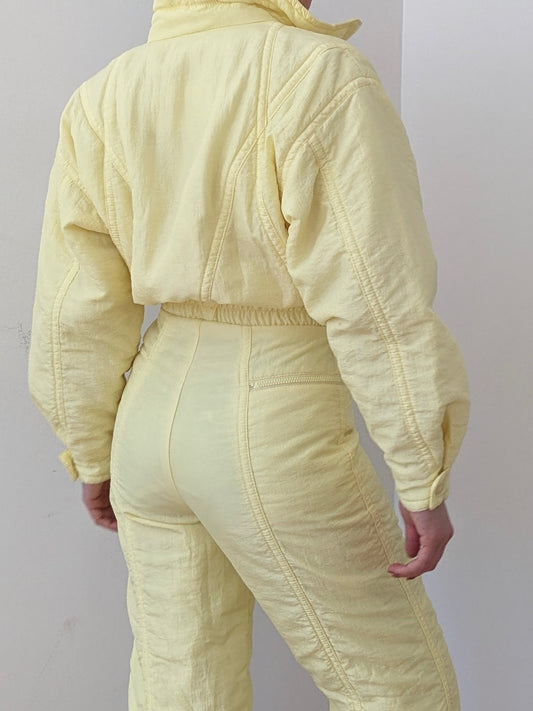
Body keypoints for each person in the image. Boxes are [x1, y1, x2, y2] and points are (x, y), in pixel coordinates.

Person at [28, 1, 471, 709]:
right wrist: (422, 471)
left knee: (181, 684)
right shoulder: (317, 74)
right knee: (394, 684)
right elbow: (375, 295)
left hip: (149, 417)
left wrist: (91, 450)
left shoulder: (104, 94)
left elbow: (73, 305)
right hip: (273, 415)